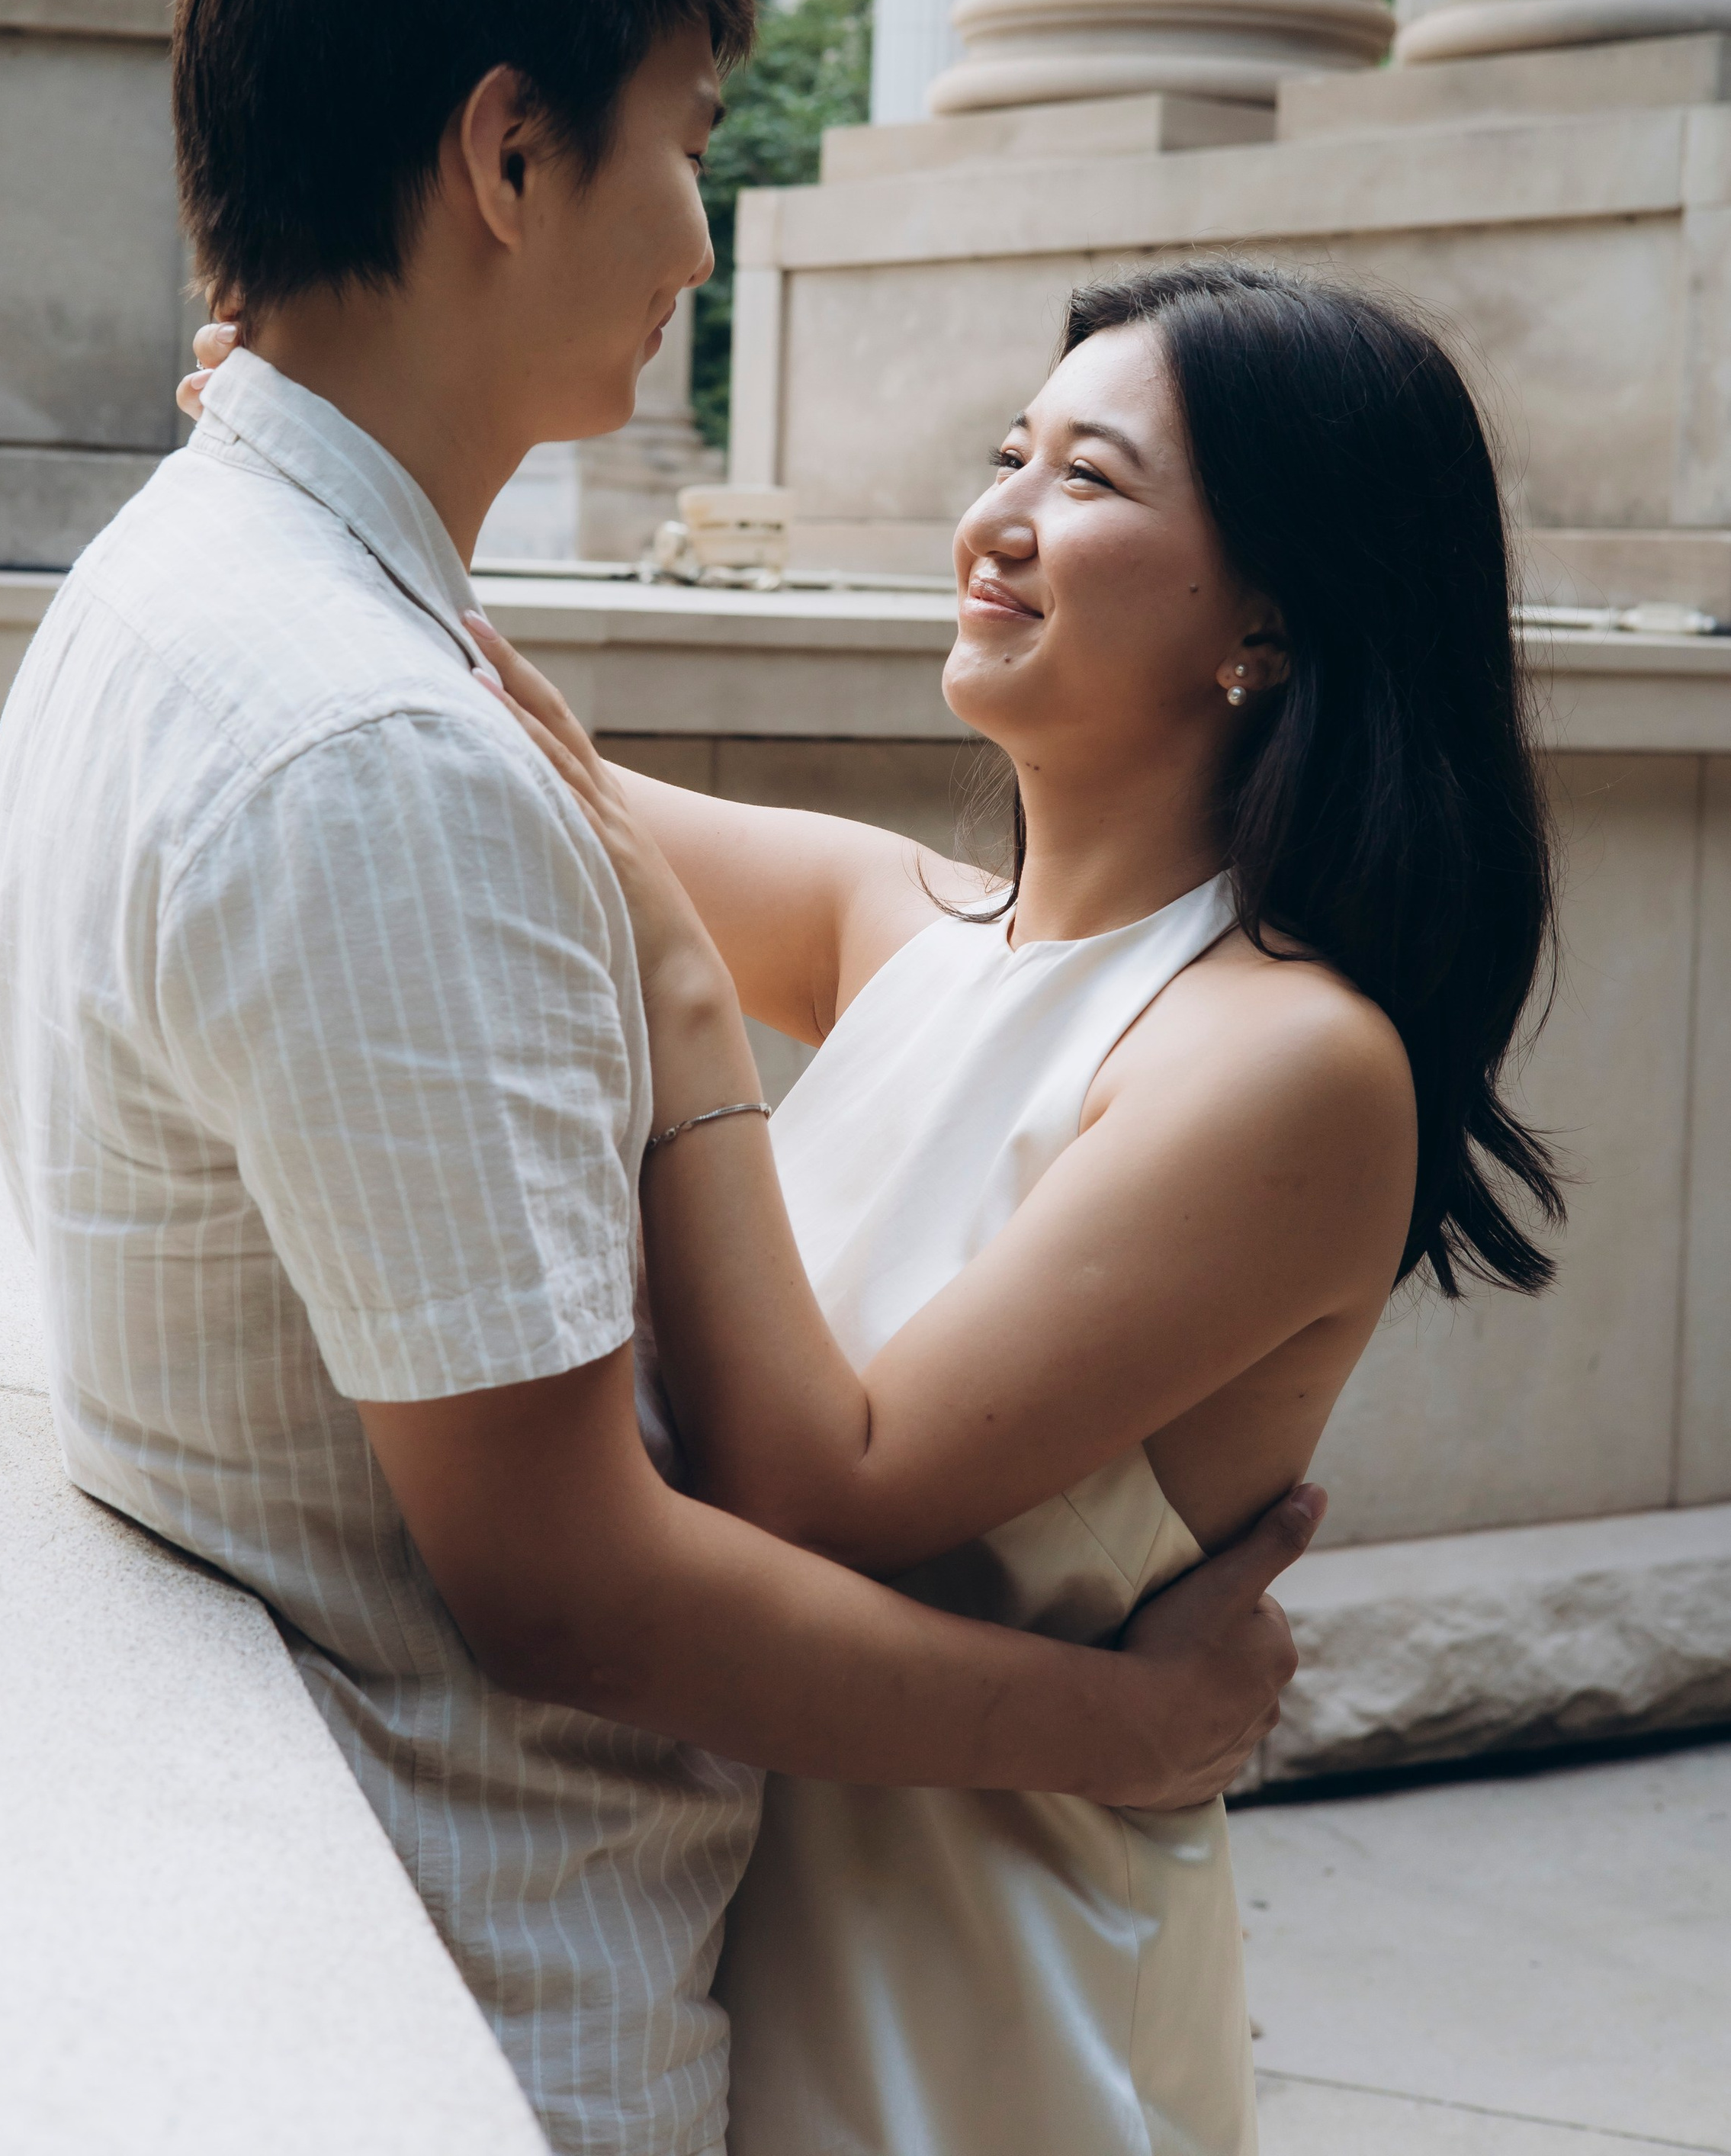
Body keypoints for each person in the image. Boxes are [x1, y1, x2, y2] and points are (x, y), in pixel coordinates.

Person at [0, 0, 1316, 2156]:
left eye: (1084, 475)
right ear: (509, 159)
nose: (705, 234)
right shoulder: (364, 747)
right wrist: (1125, 1735)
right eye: (685, 135)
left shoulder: (224, 611)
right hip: (496, 2004)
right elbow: (574, 1588)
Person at [457, 257, 1562, 2155]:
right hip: (745, 1947)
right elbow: (498, 754)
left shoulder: (1287, 1061)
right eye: (1006, 456)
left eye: (1092, 482)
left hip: (991, 2032)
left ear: (1272, 620)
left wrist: (689, 1010)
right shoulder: (912, 929)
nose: (996, 521)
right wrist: (314, 444)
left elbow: (819, 1490)